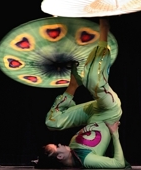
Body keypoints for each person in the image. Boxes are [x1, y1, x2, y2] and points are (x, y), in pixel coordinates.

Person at [36, 17, 130, 169]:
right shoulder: (87, 161)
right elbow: (118, 164)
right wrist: (115, 134)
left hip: (93, 114)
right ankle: (104, 30)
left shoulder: (72, 147)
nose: (60, 143)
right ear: (60, 156)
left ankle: (73, 86)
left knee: (51, 122)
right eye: (57, 146)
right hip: (109, 111)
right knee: (93, 81)